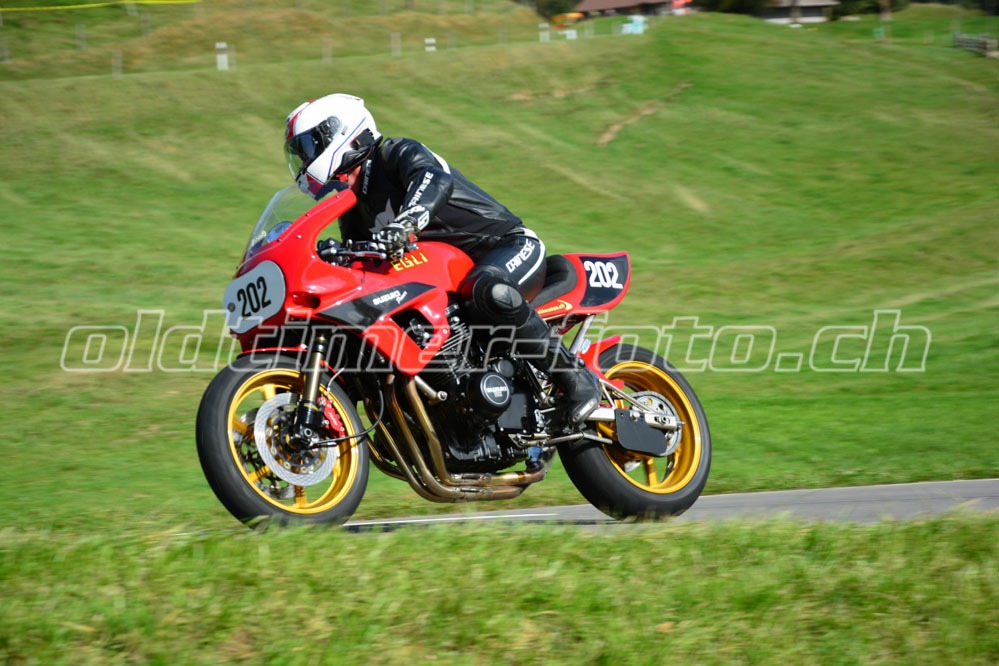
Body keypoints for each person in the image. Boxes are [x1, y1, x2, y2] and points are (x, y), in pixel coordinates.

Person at [283, 93, 599, 426]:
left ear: (341, 132)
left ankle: (575, 379)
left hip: (505, 247)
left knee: (487, 289)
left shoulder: (395, 154)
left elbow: (432, 179)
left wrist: (408, 222)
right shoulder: (351, 208)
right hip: (447, 284)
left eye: (308, 147)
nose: (304, 160)